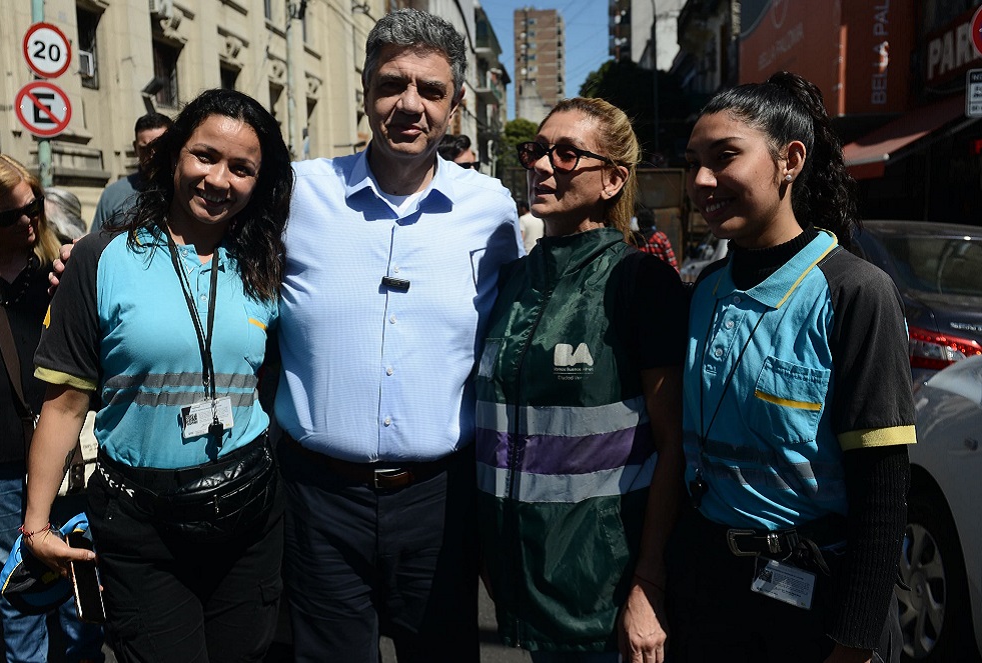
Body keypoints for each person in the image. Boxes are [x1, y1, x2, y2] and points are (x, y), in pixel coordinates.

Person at [276, 9, 521, 662]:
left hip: (439, 499)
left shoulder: (491, 208)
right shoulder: (298, 194)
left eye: (430, 90)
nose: (410, 104)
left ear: (456, 104)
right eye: (392, 84)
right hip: (317, 499)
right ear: (365, 91)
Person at [22, 88, 292, 662]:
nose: (220, 179)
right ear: (173, 157)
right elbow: (65, 403)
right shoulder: (100, 257)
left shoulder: (267, 262)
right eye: (205, 156)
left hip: (248, 515)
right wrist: (37, 524)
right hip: (142, 525)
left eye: (242, 168)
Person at [670, 71, 915, 663]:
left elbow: (882, 496)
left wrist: (853, 643)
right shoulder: (705, 289)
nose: (703, 180)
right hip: (706, 595)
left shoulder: (854, 292)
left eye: (725, 156)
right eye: (694, 161)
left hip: (809, 602)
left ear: (790, 161)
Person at [476, 97, 688, 662]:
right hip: (520, 579)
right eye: (537, 151)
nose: (542, 166)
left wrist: (649, 584)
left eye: (567, 154)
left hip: (604, 594)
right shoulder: (513, 281)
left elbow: (674, 447)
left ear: (614, 179)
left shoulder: (641, 283)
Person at [0, 154, 104, 663]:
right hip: (0, 460)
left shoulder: (62, 268)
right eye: (10, 216)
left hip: (72, 454)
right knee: (23, 586)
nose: (28, 221)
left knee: (81, 580)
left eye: (33, 207)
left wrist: (81, 292)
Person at [89, 112, 173, 231]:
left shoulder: (187, 191)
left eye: (159, 147)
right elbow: (96, 246)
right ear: (135, 148)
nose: (152, 155)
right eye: (145, 149)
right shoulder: (112, 195)